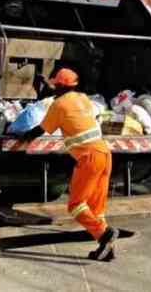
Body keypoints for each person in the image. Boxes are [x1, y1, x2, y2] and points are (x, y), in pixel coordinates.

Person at [22, 68, 118, 262]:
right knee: (96, 208)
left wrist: (21, 137)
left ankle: (104, 233)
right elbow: (75, 119)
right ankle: (107, 247)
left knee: (76, 205)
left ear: (59, 86)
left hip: (88, 158)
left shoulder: (58, 105)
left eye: (55, 85)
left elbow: (41, 130)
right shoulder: (83, 98)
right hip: (105, 154)